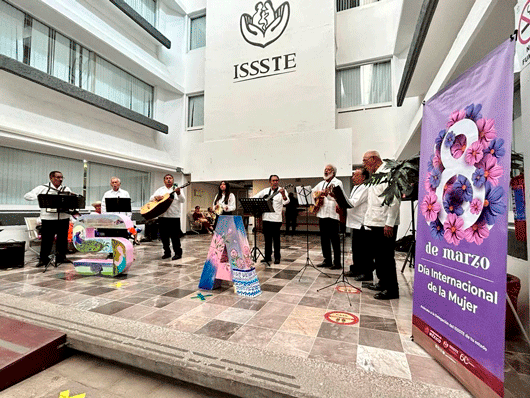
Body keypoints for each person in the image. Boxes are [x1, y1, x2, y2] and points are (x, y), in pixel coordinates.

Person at [362, 151, 401, 300]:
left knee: (386, 257)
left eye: (365, 161)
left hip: (385, 224)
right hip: (376, 223)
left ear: (374, 159)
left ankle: (392, 289)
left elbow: (395, 199)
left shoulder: (388, 173)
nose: (364, 165)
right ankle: (383, 282)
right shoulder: (377, 175)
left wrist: (389, 223)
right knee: (379, 256)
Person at [24, 171, 73, 267]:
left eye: (62, 177)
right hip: (48, 218)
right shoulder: (42, 188)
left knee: (62, 239)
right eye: (58, 177)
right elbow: (27, 196)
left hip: (63, 217)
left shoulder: (66, 189)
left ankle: (61, 257)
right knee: (47, 239)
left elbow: (71, 202)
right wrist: (40, 197)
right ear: (51, 178)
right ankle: (43, 259)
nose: (60, 179)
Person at [252, 175, 290, 264]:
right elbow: (256, 197)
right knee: (267, 239)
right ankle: (267, 257)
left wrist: (283, 195)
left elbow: (286, 201)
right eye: (273, 180)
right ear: (270, 182)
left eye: (277, 180)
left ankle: (277, 257)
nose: (275, 182)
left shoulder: (282, 191)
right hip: (266, 218)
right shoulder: (265, 191)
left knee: (276, 240)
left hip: (276, 219)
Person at [312, 164, 343, 270]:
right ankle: (327, 260)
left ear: (333, 172)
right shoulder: (321, 183)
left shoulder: (337, 182)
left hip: (332, 215)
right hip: (322, 214)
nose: (326, 171)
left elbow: (338, 197)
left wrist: (328, 194)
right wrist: (317, 195)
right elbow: (313, 192)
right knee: (324, 239)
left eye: (328, 170)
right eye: (325, 169)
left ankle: (337, 262)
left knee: (335, 239)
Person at [345, 167, 373, 280]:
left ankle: (366, 272)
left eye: (355, 175)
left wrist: (341, 198)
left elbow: (354, 202)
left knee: (364, 250)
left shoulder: (365, 187)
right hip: (355, 222)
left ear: (363, 177)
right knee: (356, 248)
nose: (352, 177)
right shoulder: (356, 187)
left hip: (362, 222)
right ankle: (356, 268)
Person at [150, 174, 185, 260]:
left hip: (174, 216)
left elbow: (183, 200)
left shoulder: (177, 189)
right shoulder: (160, 190)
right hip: (162, 216)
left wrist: (179, 193)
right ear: (164, 181)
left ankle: (177, 253)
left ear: (173, 180)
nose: (168, 180)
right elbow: (151, 198)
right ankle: (167, 252)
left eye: (170, 178)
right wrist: (156, 197)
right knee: (164, 236)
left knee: (175, 237)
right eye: (167, 178)